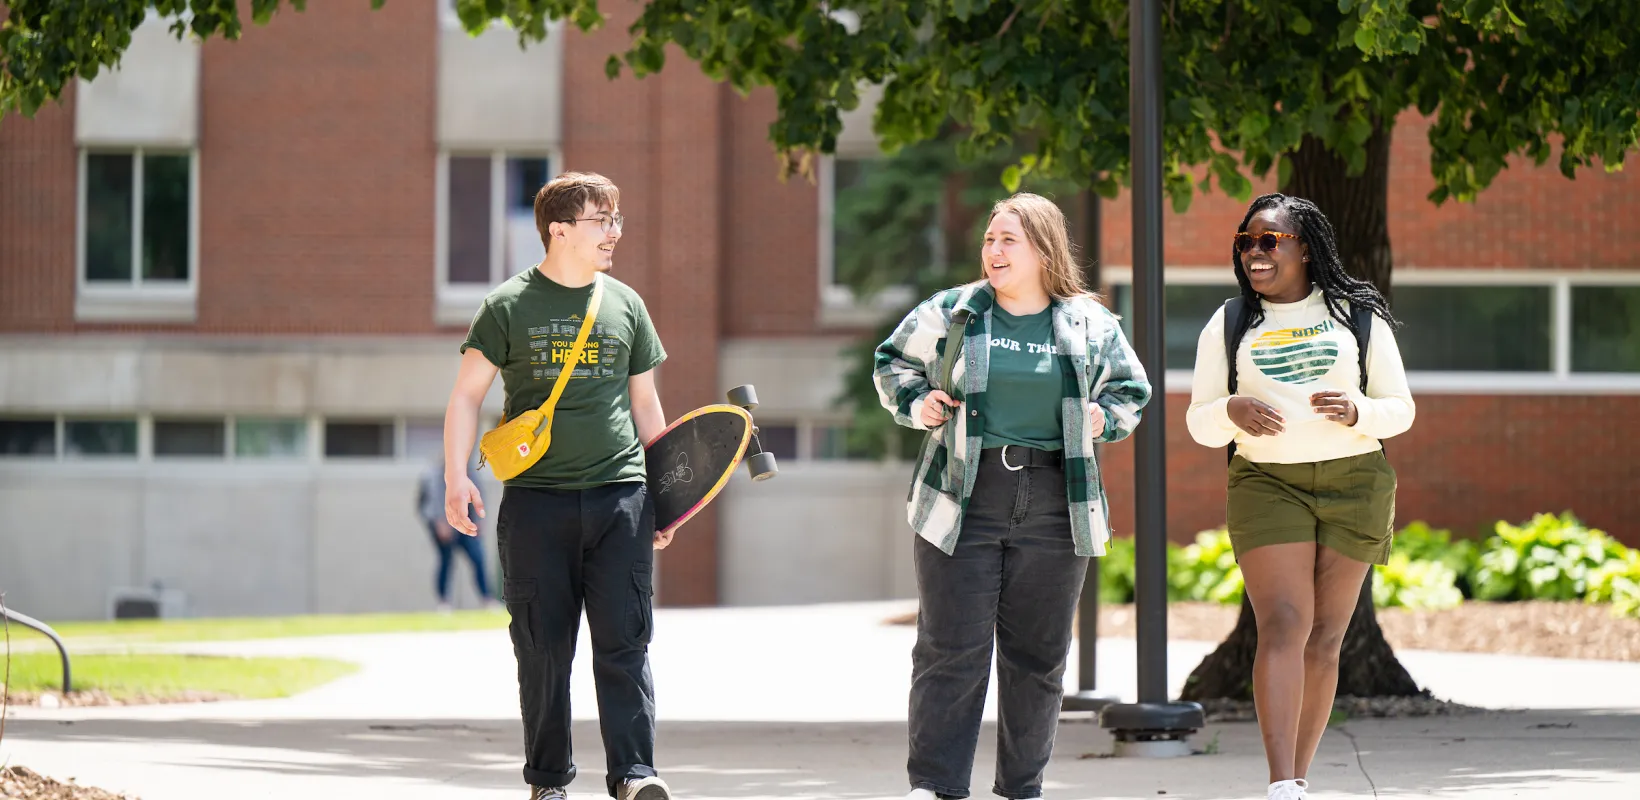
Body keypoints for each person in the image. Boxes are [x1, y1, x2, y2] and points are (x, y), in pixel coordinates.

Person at [873, 192, 1151, 800]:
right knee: (950, 649)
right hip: (962, 495)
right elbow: (892, 363)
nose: (993, 252)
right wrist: (918, 404)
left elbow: (1132, 390)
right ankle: (937, 786)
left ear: (1043, 250)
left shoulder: (1089, 323)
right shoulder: (954, 312)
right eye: (990, 240)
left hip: (1058, 498)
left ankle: (1021, 786)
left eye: (1008, 241)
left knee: (1039, 657)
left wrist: (1105, 418)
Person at [442, 171, 673, 800]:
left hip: (620, 496)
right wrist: (455, 476)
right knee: (543, 654)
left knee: (625, 643)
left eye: (618, 219)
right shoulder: (508, 305)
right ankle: (548, 782)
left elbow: (647, 407)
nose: (615, 232)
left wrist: (668, 494)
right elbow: (466, 397)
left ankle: (634, 774)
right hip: (536, 503)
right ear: (560, 230)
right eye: (604, 220)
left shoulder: (626, 304)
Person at [1185, 193, 1415, 800]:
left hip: (1355, 482)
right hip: (1267, 483)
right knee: (1284, 623)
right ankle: (1280, 780)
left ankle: (1301, 777)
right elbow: (1199, 422)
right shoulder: (1231, 322)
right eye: (1246, 243)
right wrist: (1231, 410)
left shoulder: (1357, 316)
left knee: (1325, 638)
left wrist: (1358, 410)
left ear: (1305, 249)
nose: (1255, 254)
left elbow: (1401, 411)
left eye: (1270, 242)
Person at [415, 453, 495, 613]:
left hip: (465, 522)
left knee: (478, 557)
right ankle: (444, 601)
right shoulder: (432, 475)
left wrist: (479, 520)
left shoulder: (470, 473)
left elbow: (478, 495)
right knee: (446, 561)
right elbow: (425, 504)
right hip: (441, 524)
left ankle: (488, 599)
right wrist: (438, 523)